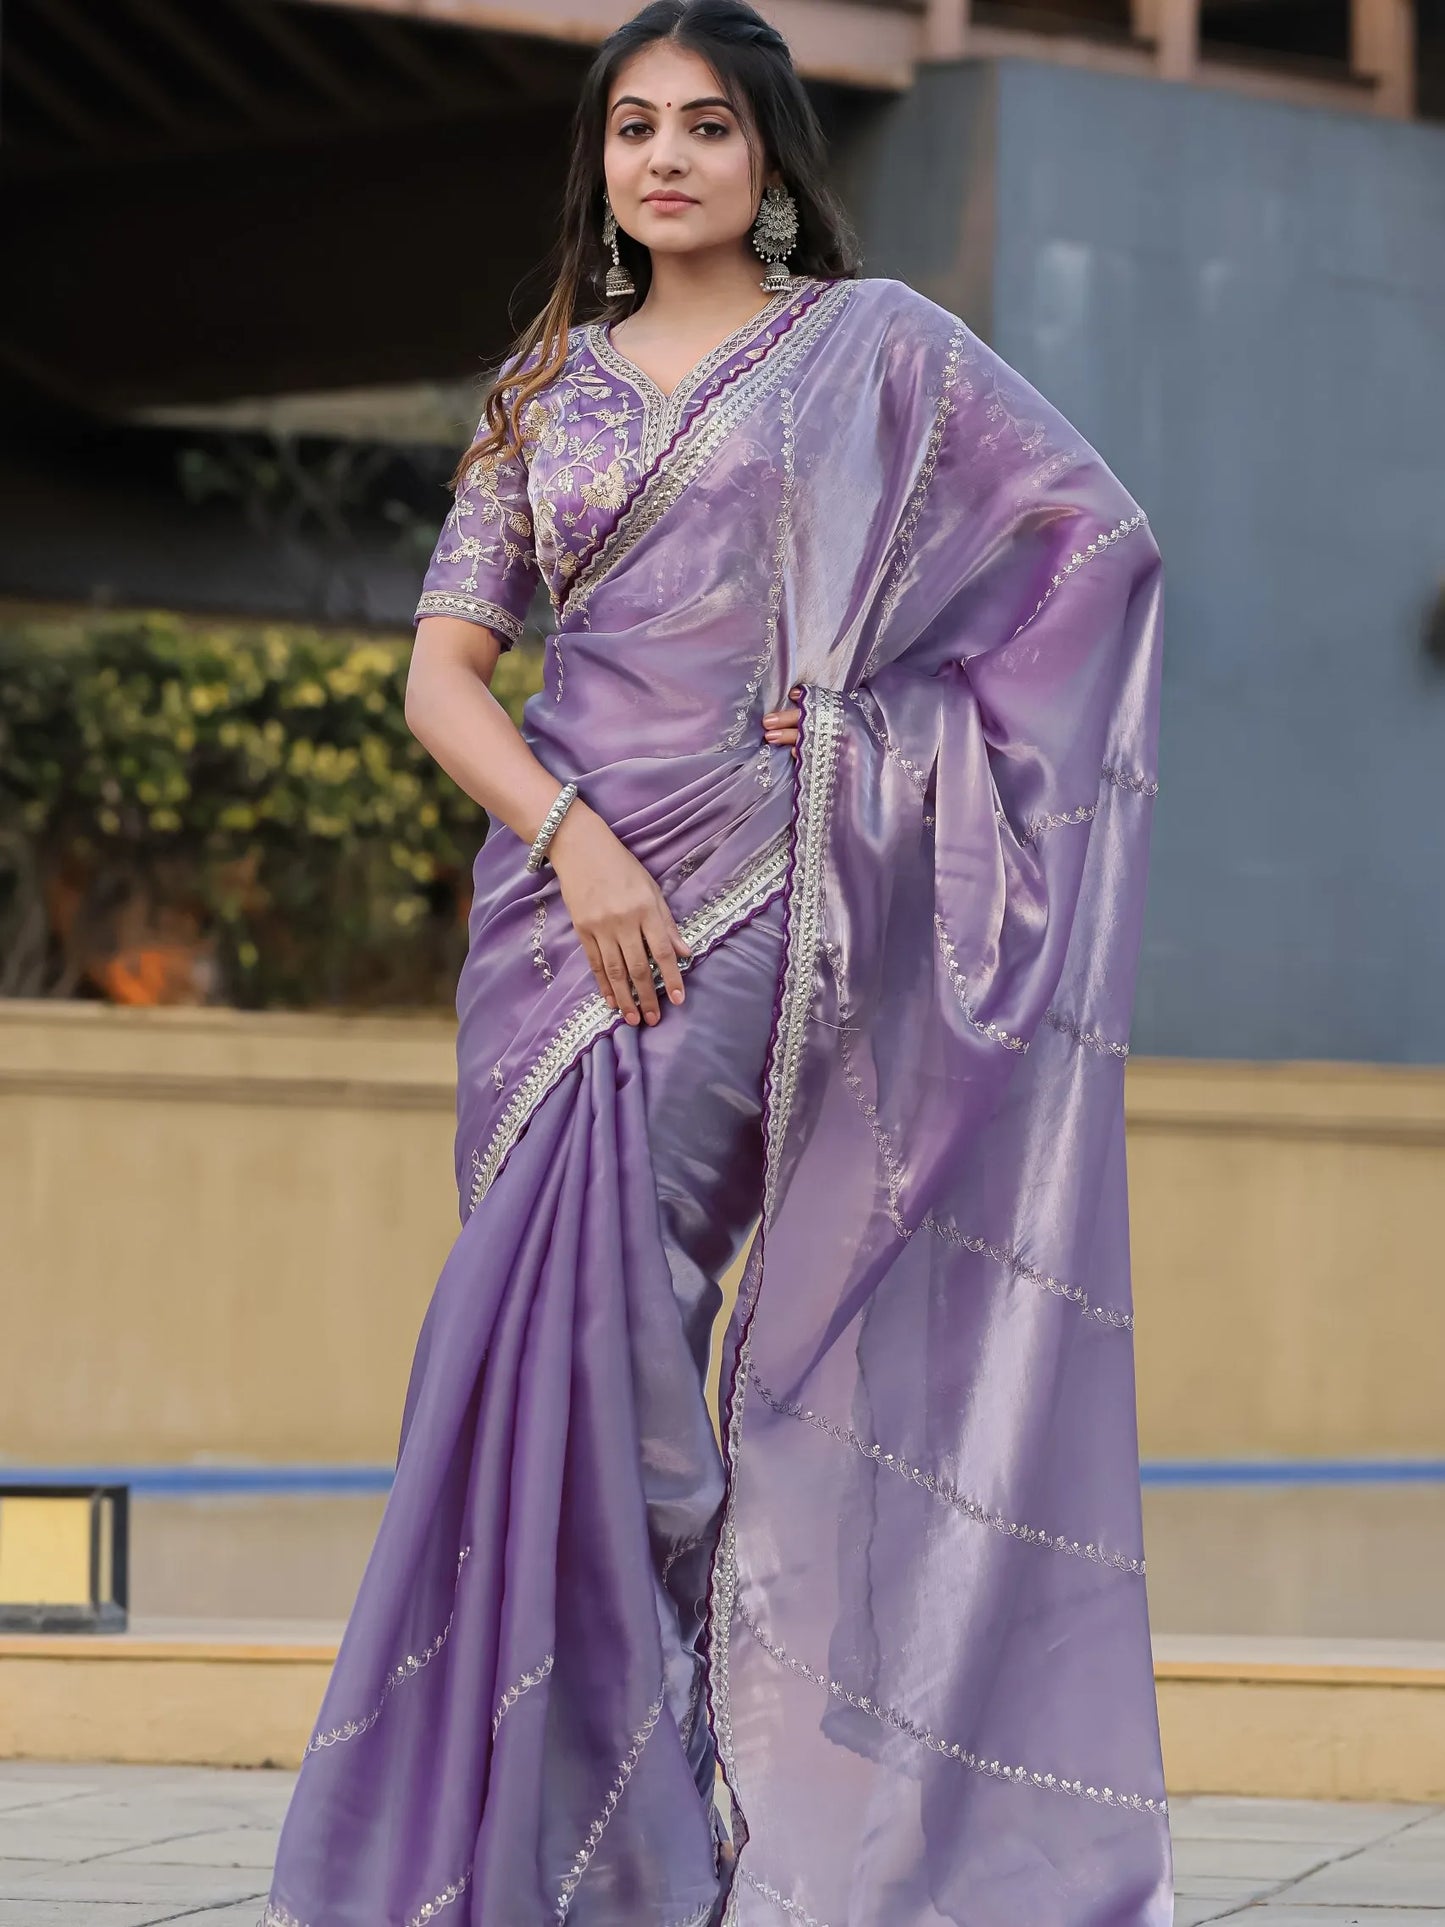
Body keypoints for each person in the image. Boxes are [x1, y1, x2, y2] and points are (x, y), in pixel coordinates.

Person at [260, 3, 1173, 1923]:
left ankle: (648, 1841)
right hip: (551, 924)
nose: (662, 160)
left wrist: (872, 728)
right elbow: (445, 674)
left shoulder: (871, 353)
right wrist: (571, 837)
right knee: (516, 1354)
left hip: (748, 912)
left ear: (768, 156)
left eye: (703, 128)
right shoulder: (545, 392)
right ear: (596, 162)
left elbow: (1091, 552)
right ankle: (554, 1836)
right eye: (629, 131)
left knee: (629, 1366)